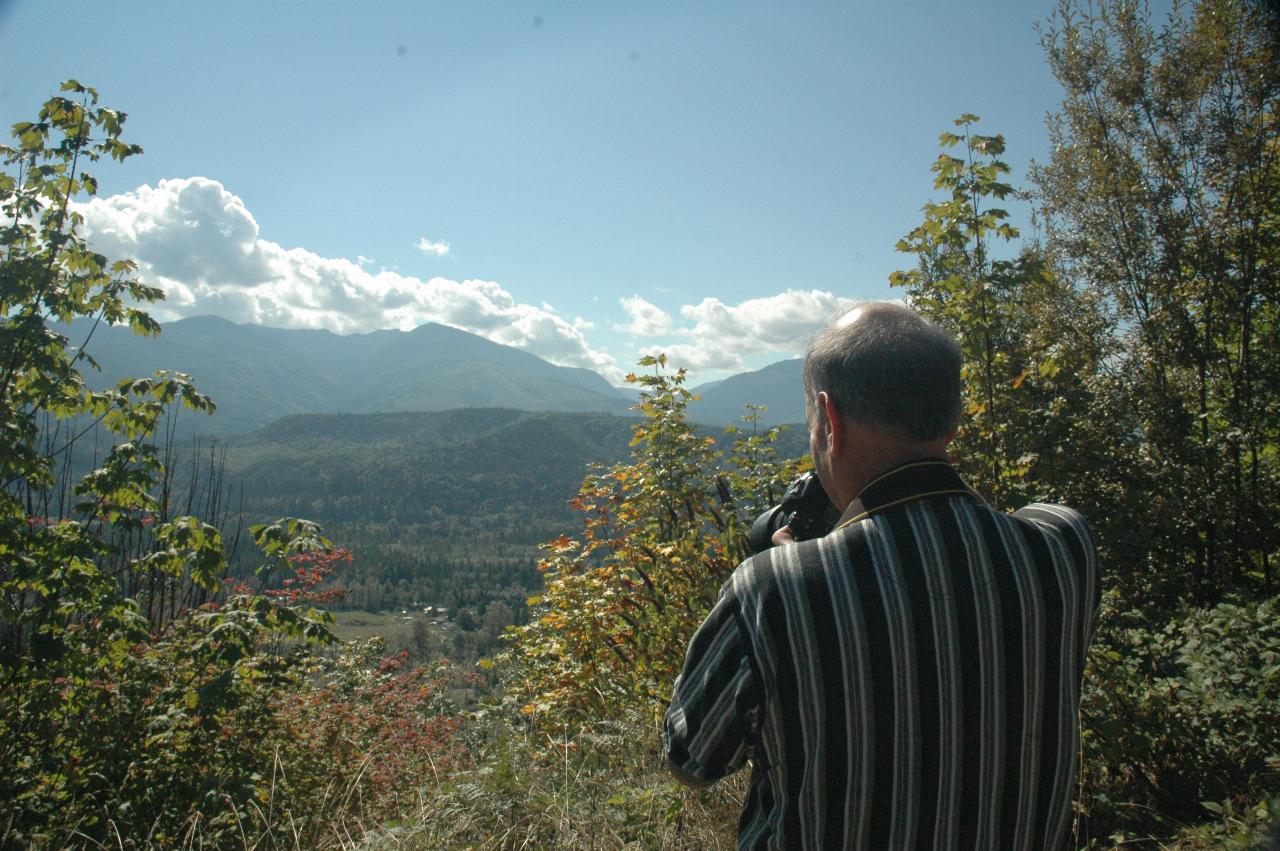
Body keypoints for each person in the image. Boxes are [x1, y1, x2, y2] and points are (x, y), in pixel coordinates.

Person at [663, 303, 1100, 850]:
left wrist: (798, 567)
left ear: (828, 418)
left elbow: (691, 760)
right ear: (952, 416)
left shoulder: (773, 589)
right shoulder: (1064, 547)